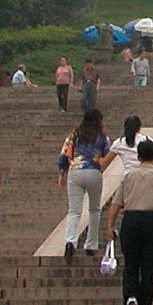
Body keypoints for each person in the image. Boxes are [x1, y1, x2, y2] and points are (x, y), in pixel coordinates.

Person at [104, 137, 153, 305]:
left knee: (131, 264)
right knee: (148, 267)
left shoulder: (128, 177)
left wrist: (110, 225)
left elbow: (116, 203)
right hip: (152, 221)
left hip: (130, 220)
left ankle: (130, 297)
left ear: (138, 157)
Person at [58, 110, 115, 257]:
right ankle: (91, 244)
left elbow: (64, 153)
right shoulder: (101, 137)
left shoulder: (74, 135)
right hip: (93, 172)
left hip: (75, 171)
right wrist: (99, 161)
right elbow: (108, 153)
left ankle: (70, 241)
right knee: (94, 209)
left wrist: (61, 173)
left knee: (74, 210)